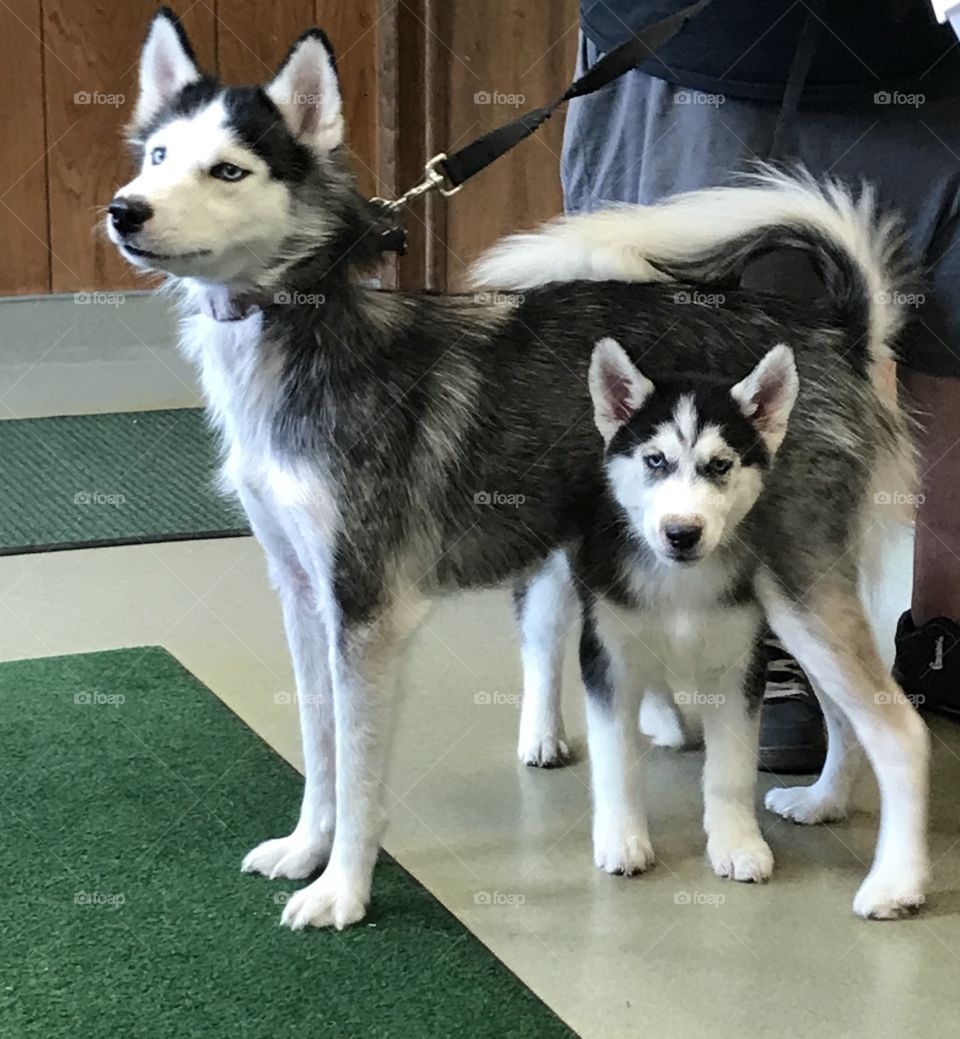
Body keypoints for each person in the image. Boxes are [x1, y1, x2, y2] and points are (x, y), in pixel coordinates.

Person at [562, 0, 960, 772]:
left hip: (925, 53)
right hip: (709, 49)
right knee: (704, 332)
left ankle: (946, 635)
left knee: (953, 339)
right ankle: (756, 630)